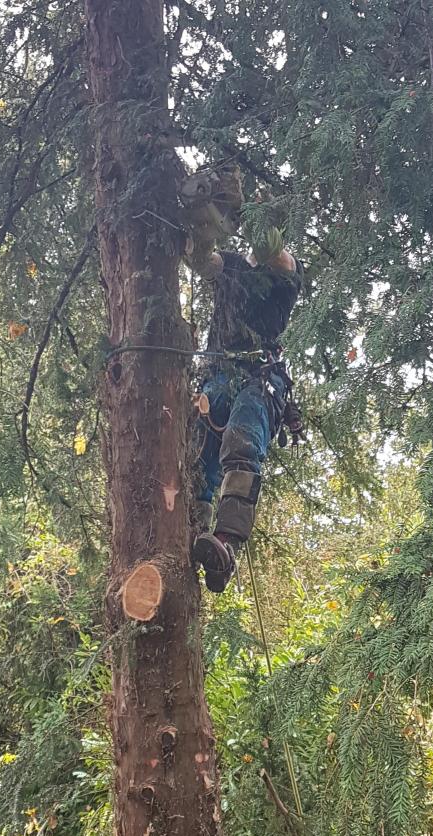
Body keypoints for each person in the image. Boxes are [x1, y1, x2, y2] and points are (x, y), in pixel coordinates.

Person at [187, 224, 304, 593]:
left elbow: (281, 259)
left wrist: (265, 226)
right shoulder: (232, 265)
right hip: (218, 375)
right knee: (196, 455)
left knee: (241, 441)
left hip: (260, 376)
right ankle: (192, 528)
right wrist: (192, 233)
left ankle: (226, 543)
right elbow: (206, 262)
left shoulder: (285, 276)